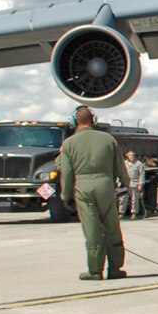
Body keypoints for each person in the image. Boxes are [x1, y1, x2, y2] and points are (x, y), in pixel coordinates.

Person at [57, 106, 130, 281]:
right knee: (112, 227)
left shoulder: (69, 143)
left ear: (75, 121)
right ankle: (115, 268)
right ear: (94, 120)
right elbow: (120, 166)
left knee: (92, 230)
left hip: (83, 187)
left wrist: (65, 196)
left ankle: (95, 270)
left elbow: (66, 173)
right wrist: (127, 185)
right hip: (105, 185)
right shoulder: (108, 139)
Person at [121, 149, 147, 219]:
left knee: (134, 199)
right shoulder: (124, 163)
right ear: (127, 156)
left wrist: (140, 184)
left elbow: (142, 175)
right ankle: (121, 213)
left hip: (135, 183)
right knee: (123, 198)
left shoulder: (139, 164)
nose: (131, 157)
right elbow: (120, 173)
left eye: (132, 155)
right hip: (125, 184)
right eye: (129, 155)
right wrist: (119, 182)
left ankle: (134, 213)